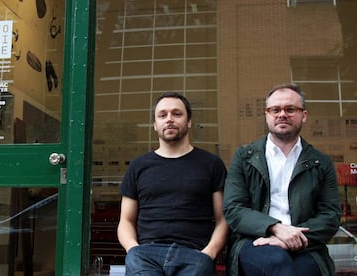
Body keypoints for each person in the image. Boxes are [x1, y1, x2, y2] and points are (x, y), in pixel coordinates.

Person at [223, 83, 342, 276]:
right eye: (275, 109)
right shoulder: (244, 157)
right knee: (277, 262)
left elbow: (331, 215)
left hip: (307, 242)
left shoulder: (321, 162)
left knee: (303, 270)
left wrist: (290, 238)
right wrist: (275, 228)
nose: (282, 114)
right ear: (267, 115)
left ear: (304, 115)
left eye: (290, 109)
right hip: (254, 239)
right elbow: (233, 209)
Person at [117, 91, 228, 275]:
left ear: (189, 121)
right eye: (162, 115)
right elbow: (126, 220)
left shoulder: (211, 164)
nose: (169, 119)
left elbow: (222, 219)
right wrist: (133, 249)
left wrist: (209, 253)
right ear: (155, 124)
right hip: (145, 254)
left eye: (177, 114)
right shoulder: (138, 166)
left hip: (194, 255)